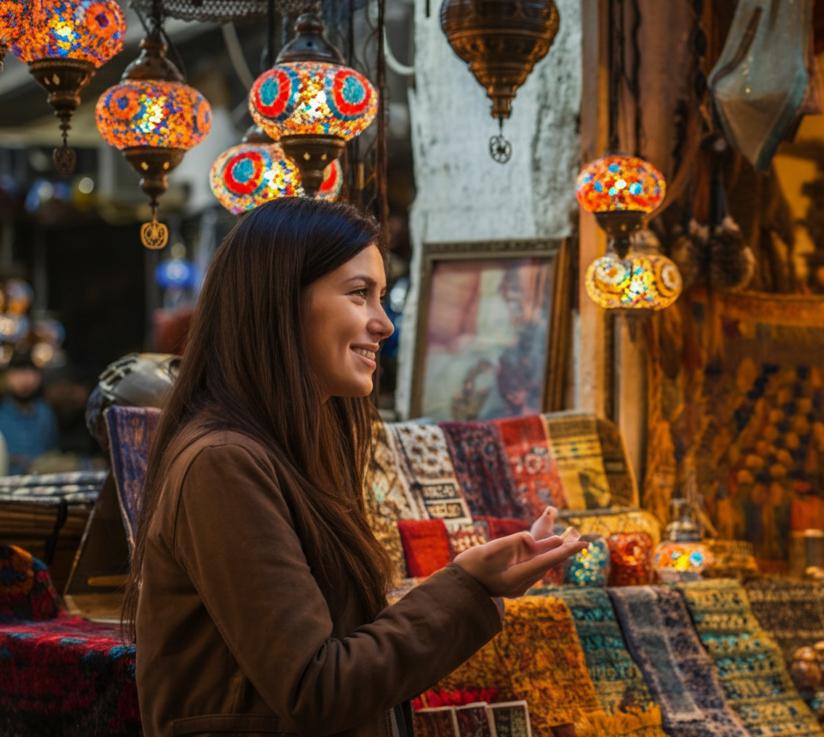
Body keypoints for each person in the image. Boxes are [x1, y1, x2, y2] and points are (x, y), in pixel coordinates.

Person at [125, 197, 587, 737]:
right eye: (359, 293)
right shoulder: (223, 464)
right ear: (281, 303)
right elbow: (316, 689)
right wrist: (466, 587)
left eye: (382, 297)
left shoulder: (290, 452)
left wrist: (471, 583)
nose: (384, 324)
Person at [0, 348, 58, 474]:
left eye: (31, 373)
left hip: (42, 479)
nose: (25, 379)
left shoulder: (44, 412)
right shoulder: (2, 411)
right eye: (18, 373)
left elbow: (51, 451)